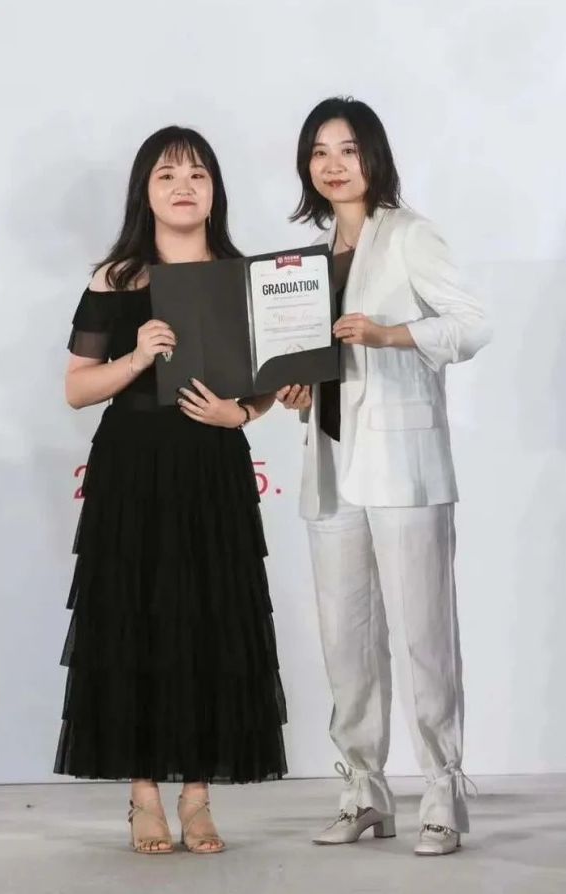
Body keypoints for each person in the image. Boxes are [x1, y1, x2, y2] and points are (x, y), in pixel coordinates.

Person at [55, 126, 287, 856]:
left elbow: (271, 380)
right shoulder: (115, 279)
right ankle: (144, 796)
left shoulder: (243, 275)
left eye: (197, 174)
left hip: (213, 466)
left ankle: (197, 799)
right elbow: (76, 389)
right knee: (133, 619)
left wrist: (241, 414)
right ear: (144, 192)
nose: (183, 186)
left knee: (211, 620)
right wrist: (134, 358)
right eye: (166, 174)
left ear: (216, 189)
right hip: (132, 468)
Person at [277, 97, 491, 856]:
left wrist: (389, 334)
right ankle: (363, 790)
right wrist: (297, 387)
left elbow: (471, 324)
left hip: (402, 464)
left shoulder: (408, 235)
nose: (333, 164)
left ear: (374, 157)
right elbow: (317, 357)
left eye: (347, 149)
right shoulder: (306, 260)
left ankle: (441, 792)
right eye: (319, 152)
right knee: (346, 639)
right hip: (331, 460)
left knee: (423, 633)